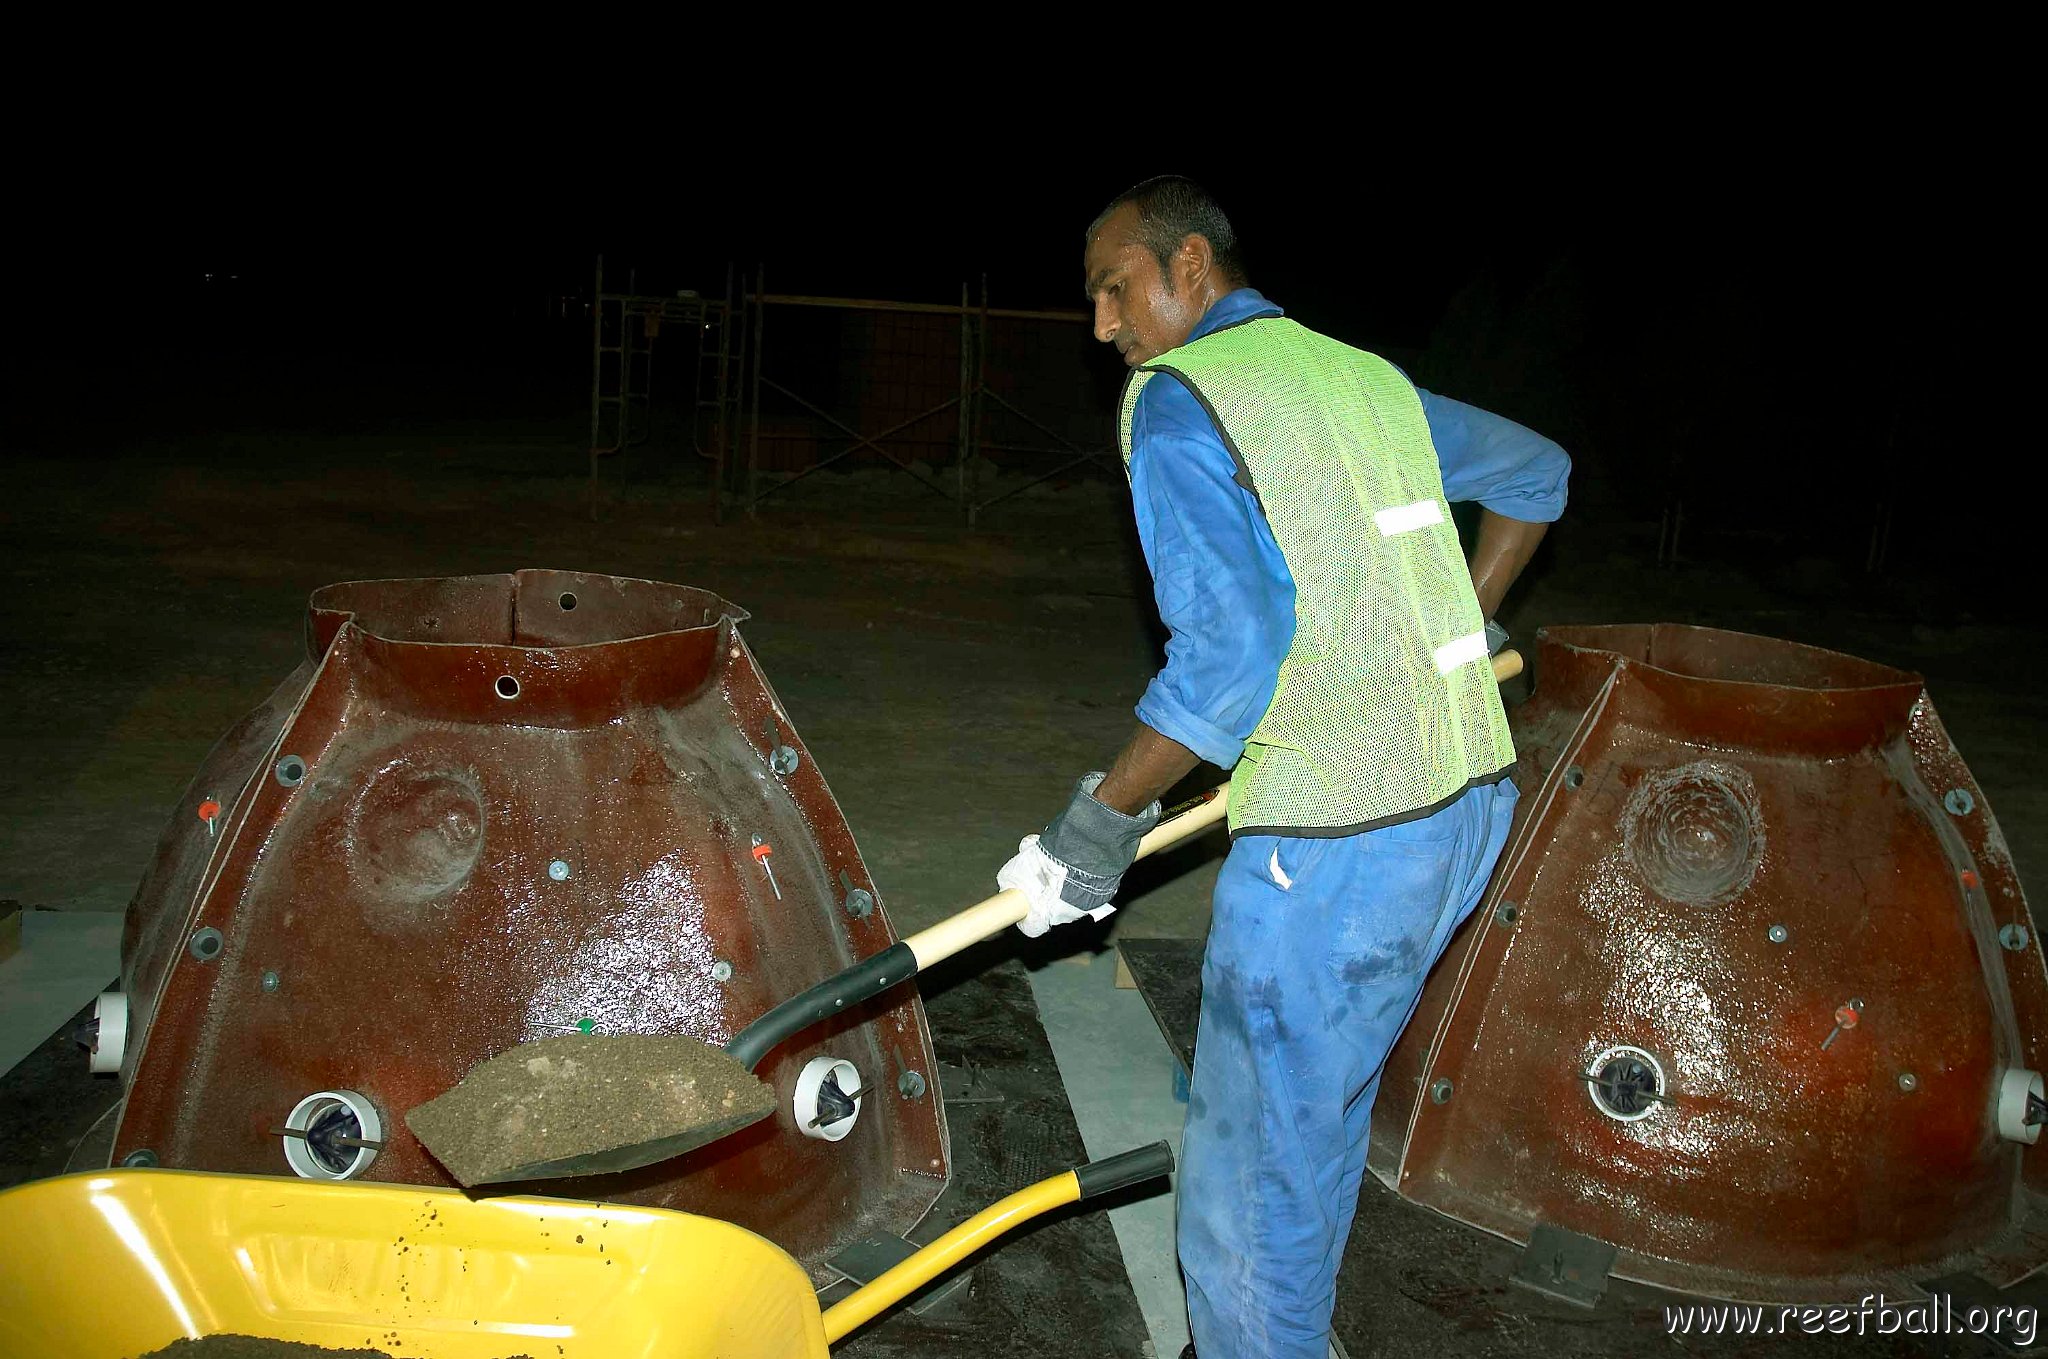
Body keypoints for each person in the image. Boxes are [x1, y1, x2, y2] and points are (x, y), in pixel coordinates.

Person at [995, 177, 1570, 1359]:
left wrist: (1091, 831)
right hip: (1460, 809)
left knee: (1249, 1191)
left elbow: (1227, 665)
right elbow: (1534, 473)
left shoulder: (1180, 400)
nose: (1101, 326)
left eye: (1112, 290)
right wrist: (1456, 628)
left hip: (1340, 844)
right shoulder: (1357, 376)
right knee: (1311, 1122)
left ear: (1187, 266)